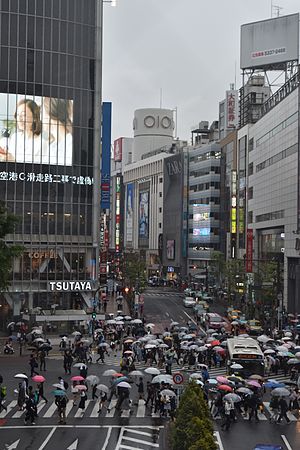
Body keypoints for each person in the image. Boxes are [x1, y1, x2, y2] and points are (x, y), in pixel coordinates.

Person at [0, 98, 42, 163]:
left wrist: (13, 160)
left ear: (34, 117)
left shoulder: (41, 143)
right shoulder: (15, 137)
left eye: (23, 115)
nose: (19, 119)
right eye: (18, 115)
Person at [41, 97, 73, 166]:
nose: (41, 119)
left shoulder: (71, 145)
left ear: (49, 115)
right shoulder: (53, 145)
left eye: (41, 112)